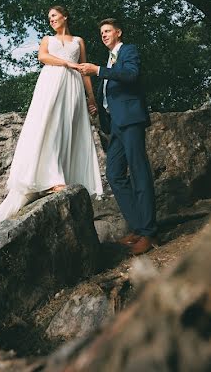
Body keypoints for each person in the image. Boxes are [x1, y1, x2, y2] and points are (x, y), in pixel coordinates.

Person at [0, 6, 103, 246]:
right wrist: (68, 65)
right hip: (51, 84)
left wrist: (91, 98)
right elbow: (43, 57)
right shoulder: (47, 39)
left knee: (67, 129)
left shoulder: (78, 41)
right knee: (48, 128)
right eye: (48, 17)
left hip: (72, 88)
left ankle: (65, 173)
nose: (51, 20)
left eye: (54, 16)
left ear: (65, 17)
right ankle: (50, 177)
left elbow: (85, 71)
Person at [77, 18, 157, 255]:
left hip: (131, 120)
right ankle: (139, 227)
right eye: (101, 32)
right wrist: (98, 107)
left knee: (139, 171)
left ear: (118, 32)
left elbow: (131, 75)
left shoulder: (128, 51)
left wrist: (98, 71)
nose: (103, 35)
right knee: (114, 174)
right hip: (116, 125)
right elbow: (111, 93)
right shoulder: (109, 61)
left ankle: (149, 233)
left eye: (107, 31)